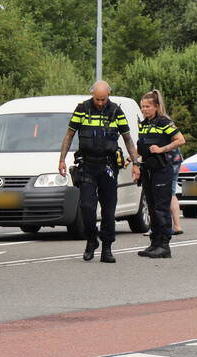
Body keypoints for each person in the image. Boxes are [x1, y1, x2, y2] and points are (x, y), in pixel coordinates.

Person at [57, 81, 139, 263]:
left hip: (108, 166)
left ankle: (107, 248)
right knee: (87, 207)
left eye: (104, 99)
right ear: (92, 94)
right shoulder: (82, 109)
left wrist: (135, 163)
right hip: (87, 165)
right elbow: (69, 134)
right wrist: (62, 160)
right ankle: (91, 240)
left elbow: (127, 138)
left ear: (108, 95)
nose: (100, 102)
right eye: (97, 99)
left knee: (109, 209)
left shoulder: (116, 111)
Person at [135, 90, 186, 259]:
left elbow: (180, 140)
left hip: (162, 170)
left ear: (156, 107)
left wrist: (161, 149)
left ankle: (164, 246)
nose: (144, 109)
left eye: (147, 106)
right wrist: (133, 160)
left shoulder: (164, 121)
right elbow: (140, 147)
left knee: (161, 208)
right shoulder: (143, 124)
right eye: (142, 106)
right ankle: (154, 243)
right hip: (147, 170)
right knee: (151, 207)